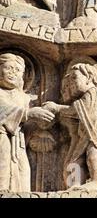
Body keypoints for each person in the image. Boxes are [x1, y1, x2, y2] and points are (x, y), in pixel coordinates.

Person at [43, 63, 97, 191]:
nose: (71, 83)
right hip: (84, 132)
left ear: (89, 78)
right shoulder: (83, 97)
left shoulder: (93, 92)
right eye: (69, 79)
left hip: (93, 130)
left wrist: (56, 108)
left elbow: (75, 111)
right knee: (75, 161)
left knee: (93, 155)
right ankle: (75, 185)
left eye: (74, 78)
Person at [0, 53, 55, 192]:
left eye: (17, 70)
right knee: (3, 165)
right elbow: (4, 110)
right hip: (2, 139)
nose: (13, 73)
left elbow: (24, 126)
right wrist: (29, 113)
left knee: (23, 170)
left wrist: (41, 127)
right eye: (8, 68)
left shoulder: (23, 98)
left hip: (19, 144)